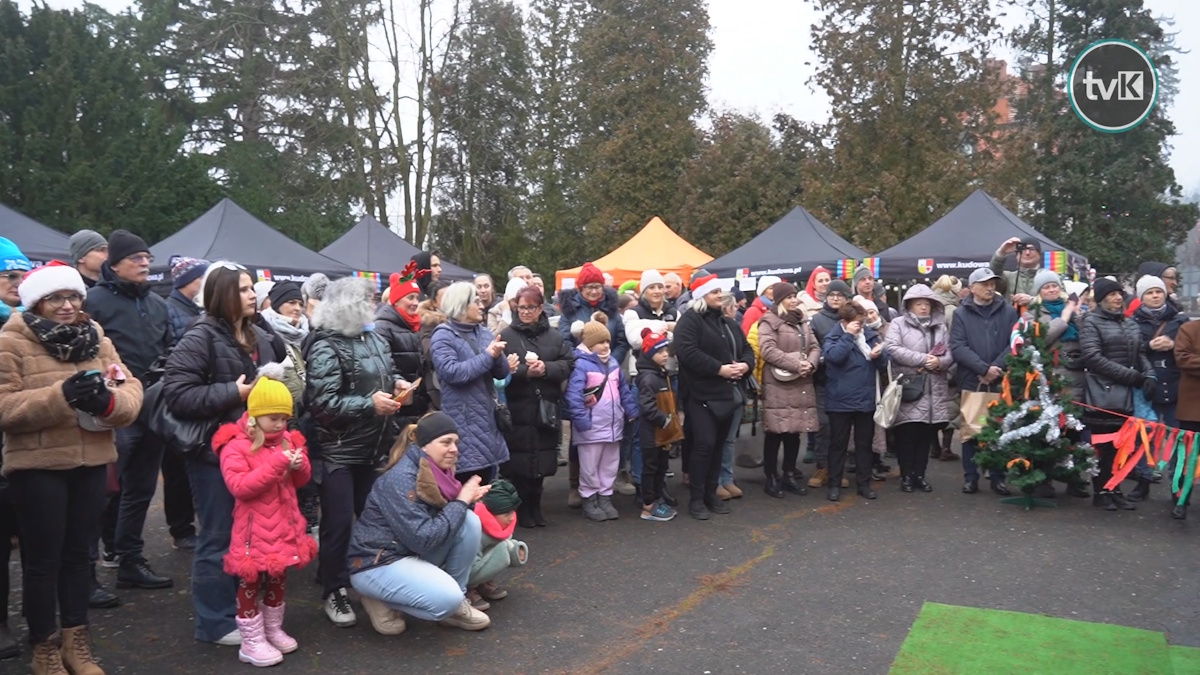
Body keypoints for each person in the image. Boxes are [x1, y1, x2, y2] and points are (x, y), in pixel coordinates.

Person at [0, 261, 143, 675]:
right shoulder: (12, 340)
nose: (67, 306)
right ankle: (43, 648)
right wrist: (60, 396)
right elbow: (5, 407)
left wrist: (110, 404)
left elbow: (131, 388)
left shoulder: (95, 337)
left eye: (74, 296)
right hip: (37, 466)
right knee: (42, 560)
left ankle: (76, 641)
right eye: (56, 298)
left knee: (80, 556)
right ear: (36, 302)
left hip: (92, 460)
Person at [163, 262, 285, 647]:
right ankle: (214, 622)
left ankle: (244, 613)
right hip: (213, 455)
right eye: (244, 289)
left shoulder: (257, 334)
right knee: (217, 536)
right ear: (221, 295)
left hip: (253, 453)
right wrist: (233, 393)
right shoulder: (200, 336)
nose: (253, 295)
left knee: (246, 538)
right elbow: (177, 394)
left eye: (252, 288)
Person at [305, 277, 407, 628]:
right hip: (338, 451)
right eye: (367, 300)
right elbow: (322, 403)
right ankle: (333, 588)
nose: (374, 305)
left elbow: (384, 373)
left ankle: (368, 581)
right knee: (338, 524)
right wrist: (369, 404)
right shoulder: (324, 345)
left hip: (373, 446)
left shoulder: (373, 337)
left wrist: (396, 384)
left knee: (374, 520)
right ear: (349, 305)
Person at [347, 413, 491, 635]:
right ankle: (378, 598)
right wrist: (462, 500)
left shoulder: (438, 472)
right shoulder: (400, 478)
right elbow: (423, 539)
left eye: (456, 442)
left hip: (408, 550)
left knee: (469, 521)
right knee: (445, 599)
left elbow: (443, 523)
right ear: (424, 446)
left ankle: (456, 603)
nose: (454, 449)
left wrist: (466, 501)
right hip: (376, 562)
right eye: (446, 442)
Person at [85, 229, 173, 590]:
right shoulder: (94, 302)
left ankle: (130, 559)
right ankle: (85, 570)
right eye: (137, 258)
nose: (145, 263)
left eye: (147, 258)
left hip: (152, 407)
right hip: (116, 410)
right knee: (102, 490)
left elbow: (170, 346)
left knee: (140, 488)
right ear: (115, 264)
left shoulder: (157, 304)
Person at [213, 372, 316, 668]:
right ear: (255, 416)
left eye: (284, 418)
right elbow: (240, 487)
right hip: (252, 530)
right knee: (250, 583)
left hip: (284, 525)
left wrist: (299, 464)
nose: (281, 425)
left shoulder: (286, 441)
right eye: (273, 418)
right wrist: (277, 463)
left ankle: (272, 628)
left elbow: (300, 482)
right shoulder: (236, 445)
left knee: (278, 576)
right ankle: (251, 639)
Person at [674, 274, 754, 520]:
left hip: (728, 395)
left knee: (719, 447)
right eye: (714, 291)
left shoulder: (728, 323)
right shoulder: (690, 321)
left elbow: (747, 349)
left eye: (720, 291)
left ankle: (711, 493)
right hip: (701, 395)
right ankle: (696, 499)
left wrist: (745, 366)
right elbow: (687, 352)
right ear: (701, 295)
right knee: (703, 446)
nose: (720, 295)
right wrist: (718, 369)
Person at [499, 286, 574, 528]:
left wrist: (547, 369)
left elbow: (568, 363)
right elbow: (498, 369)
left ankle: (536, 507)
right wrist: (524, 372)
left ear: (540, 308)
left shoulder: (554, 337)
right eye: (522, 307)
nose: (526, 312)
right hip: (518, 407)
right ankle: (521, 510)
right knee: (519, 462)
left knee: (542, 460)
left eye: (531, 307)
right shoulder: (507, 336)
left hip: (546, 406)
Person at [1081, 277, 1153, 511]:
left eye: (1119, 294)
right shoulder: (1091, 322)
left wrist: (1149, 374)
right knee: (1104, 445)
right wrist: (1131, 376)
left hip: (1127, 394)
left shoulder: (1130, 323)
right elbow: (1093, 357)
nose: (1118, 298)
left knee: (1123, 445)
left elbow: (1140, 353)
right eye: (1112, 294)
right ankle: (1101, 490)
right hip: (1103, 392)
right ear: (1101, 299)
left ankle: (1115, 488)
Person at [430, 282, 512, 486]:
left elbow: (500, 373)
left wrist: (499, 356)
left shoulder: (484, 333)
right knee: (466, 486)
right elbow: (453, 373)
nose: (482, 305)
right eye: (476, 301)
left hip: (487, 420)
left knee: (488, 484)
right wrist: (488, 356)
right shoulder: (443, 335)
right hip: (463, 422)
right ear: (461, 305)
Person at [950, 268, 1019, 496]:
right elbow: (958, 347)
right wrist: (982, 368)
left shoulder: (1008, 312)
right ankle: (971, 477)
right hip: (973, 380)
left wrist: (995, 368)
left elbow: (1015, 342)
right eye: (984, 283)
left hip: (1001, 381)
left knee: (1000, 430)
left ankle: (998, 478)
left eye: (992, 283)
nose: (990, 287)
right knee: (972, 431)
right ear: (972, 288)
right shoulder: (961, 314)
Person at [564, 313, 639, 522]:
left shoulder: (613, 363)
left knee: (610, 463)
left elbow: (623, 390)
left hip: (613, 426)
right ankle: (589, 497)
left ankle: (605, 495)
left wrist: (631, 410)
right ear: (589, 344)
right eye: (600, 342)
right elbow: (574, 396)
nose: (606, 346)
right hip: (590, 427)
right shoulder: (581, 365)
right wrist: (582, 420)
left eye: (607, 341)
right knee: (589, 466)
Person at [259, 281, 318, 531]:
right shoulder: (266, 334)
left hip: (304, 417)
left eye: (299, 303)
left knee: (305, 473)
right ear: (275, 304)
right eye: (290, 303)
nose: (297, 308)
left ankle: (306, 525)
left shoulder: (305, 334)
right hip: (276, 420)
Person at [1025, 270, 1089, 499]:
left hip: (1077, 379)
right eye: (1046, 287)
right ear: (1039, 292)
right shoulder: (1032, 313)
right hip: (1049, 381)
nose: (1051, 290)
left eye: (1054, 286)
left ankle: (1074, 479)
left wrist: (1077, 315)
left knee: (1074, 431)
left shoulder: (1076, 310)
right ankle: (1044, 479)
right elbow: (1038, 339)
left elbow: (1088, 339)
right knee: (1048, 431)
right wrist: (1063, 318)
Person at [884, 285, 954, 494]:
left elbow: (951, 353)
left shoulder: (940, 327)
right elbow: (893, 348)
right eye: (919, 304)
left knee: (926, 435)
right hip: (909, 386)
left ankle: (920, 476)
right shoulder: (898, 324)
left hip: (934, 389)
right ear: (909, 305)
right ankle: (906, 476)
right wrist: (925, 359)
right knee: (907, 435)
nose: (923, 307)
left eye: (927, 304)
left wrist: (939, 363)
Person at [163, 257, 210, 552]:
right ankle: (181, 529)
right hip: (180, 396)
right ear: (190, 281)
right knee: (176, 470)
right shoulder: (169, 310)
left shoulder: (197, 310)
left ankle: (189, 524)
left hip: (199, 395)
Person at [757, 282, 819, 498]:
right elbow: (767, 350)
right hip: (778, 383)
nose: (794, 300)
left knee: (795, 431)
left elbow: (815, 346)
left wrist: (810, 364)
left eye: (795, 296)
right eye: (789, 297)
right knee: (776, 431)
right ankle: (771, 476)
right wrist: (796, 363)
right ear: (780, 300)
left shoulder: (802, 320)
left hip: (801, 380)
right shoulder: (768, 321)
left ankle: (789, 474)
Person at [822, 302, 886, 501]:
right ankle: (834, 484)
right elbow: (835, 357)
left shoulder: (869, 335)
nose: (862, 326)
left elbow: (884, 364)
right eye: (857, 323)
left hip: (865, 398)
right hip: (840, 399)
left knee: (864, 444)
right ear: (844, 322)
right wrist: (848, 336)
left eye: (862, 322)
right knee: (838, 444)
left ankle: (864, 484)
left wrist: (878, 355)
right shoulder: (833, 336)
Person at [1130, 275, 1185, 503]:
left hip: (1175, 387)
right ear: (1141, 297)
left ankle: (1177, 486)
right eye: (1149, 292)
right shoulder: (1132, 322)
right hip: (1146, 387)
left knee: (1177, 438)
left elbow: (1192, 348)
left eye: (1158, 291)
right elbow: (1126, 351)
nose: (1155, 295)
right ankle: (1143, 480)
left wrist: (1174, 345)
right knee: (1143, 437)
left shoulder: (1180, 321)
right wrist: (1147, 346)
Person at [806, 279, 852, 490]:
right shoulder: (816, 320)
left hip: (847, 381)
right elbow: (810, 348)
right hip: (823, 381)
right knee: (823, 425)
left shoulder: (852, 318)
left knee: (841, 429)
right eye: (832, 294)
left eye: (840, 295)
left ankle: (837, 470)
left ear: (846, 298)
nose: (835, 298)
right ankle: (822, 466)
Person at [375, 270, 433, 431]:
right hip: (396, 407)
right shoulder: (383, 327)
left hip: (415, 406)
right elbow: (384, 365)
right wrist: (398, 382)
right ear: (397, 300)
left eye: (417, 297)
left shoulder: (413, 325)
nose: (415, 302)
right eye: (410, 297)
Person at [636, 329, 682, 521]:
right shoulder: (648, 378)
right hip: (653, 433)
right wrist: (664, 419)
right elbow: (646, 406)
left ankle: (658, 498)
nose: (665, 355)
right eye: (659, 351)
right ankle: (648, 506)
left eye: (666, 350)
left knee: (662, 467)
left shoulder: (662, 374)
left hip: (663, 433)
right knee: (651, 468)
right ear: (648, 354)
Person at [465, 479, 529, 610]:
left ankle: (482, 582)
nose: (511, 518)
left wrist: (516, 551)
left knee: (505, 546)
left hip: (480, 560)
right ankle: (468, 588)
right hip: (462, 569)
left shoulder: (500, 524)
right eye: (506, 514)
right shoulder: (474, 529)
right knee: (502, 548)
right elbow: (464, 564)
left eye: (512, 512)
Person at [929, 275, 963, 461]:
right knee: (950, 405)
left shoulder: (928, 308)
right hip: (949, 364)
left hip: (929, 364)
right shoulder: (954, 311)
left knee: (932, 408)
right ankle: (946, 448)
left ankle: (934, 447)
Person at [990, 236, 1045, 305]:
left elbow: (1059, 301)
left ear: (1039, 254)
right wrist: (1001, 252)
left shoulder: (1049, 277)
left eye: (1032, 249)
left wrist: (1032, 300)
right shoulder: (1008, 277)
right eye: (1023, 249)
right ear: (1016, 255)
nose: (1027, 253)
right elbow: (994, 273)